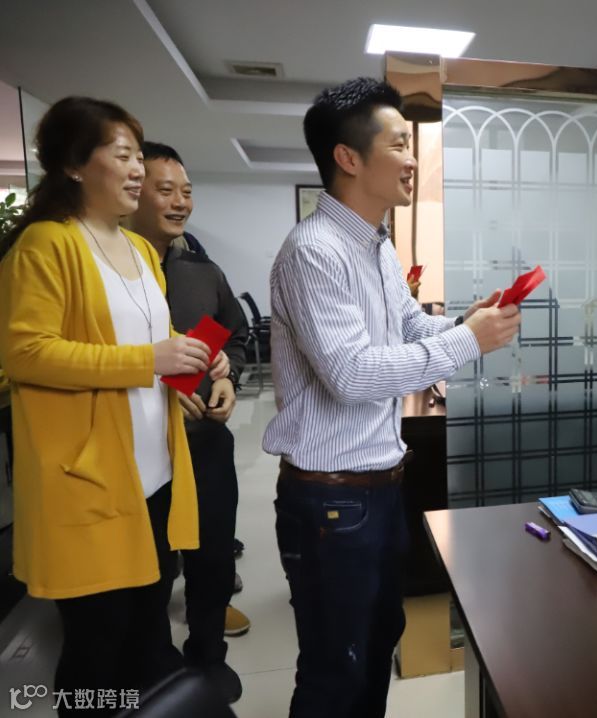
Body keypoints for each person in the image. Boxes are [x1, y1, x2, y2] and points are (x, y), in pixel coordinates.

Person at [263, 77, 521, 718]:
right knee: (335, 670)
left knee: (378, 641)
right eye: (400, 144)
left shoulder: (374, 244)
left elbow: (405, 326)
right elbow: (351, 376)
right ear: (348, 158)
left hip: (378, 488)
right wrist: (466, 342)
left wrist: (463, 323)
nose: (412, 159)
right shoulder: (314, 252)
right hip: (331, 500)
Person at [0, 97, 226, 716]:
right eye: (123, 155)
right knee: (96, 647)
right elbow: (27, 354)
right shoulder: (46, 245)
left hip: (152, 476)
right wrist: (149, 360)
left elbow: (149, 345)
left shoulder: (141, 250)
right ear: (75, 165)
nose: (136, 170)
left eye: (137, 156)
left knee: (147, 632)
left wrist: (194, 361)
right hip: (89, 483)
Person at [128, 140, 249, 703]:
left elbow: (232, 335)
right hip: (142, 452)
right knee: (151, 569)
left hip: (205, 443)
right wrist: (159, 394)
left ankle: (207, 655)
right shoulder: (115, 277)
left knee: (213, 554)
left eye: (186, 191)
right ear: (132, 193)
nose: (180, 202)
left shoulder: (202, 270)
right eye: (165, 190)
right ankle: (157, 673)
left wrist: (228, 377)